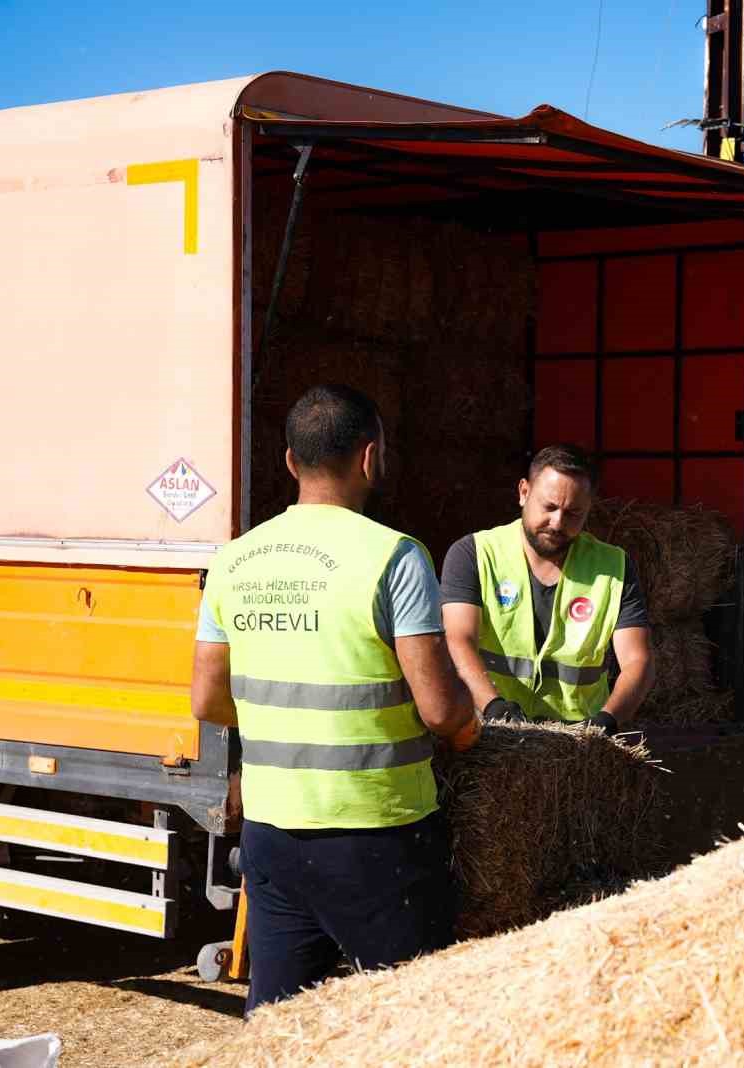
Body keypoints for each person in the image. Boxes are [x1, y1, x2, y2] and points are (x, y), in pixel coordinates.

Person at [190, 384, 480, 1015]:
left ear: (290, 462)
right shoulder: (395, 557)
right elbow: (439, 709)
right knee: (408, 1019)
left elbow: (207, 700)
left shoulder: (232, 562)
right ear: (370, 458)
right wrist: (470, 733)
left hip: (272, 833)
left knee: (282, 1024)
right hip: (379, 834)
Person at [440, 444, 653, 732]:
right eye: (549, 507)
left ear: (589, 509)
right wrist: (493, 706)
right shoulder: (473, 554)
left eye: (573, 513)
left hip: (581, 737)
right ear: (523, 492)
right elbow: (457, 640)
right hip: (491, 732)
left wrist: (606, 721)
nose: (557, 523)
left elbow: (638, 660)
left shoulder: (615, 566)